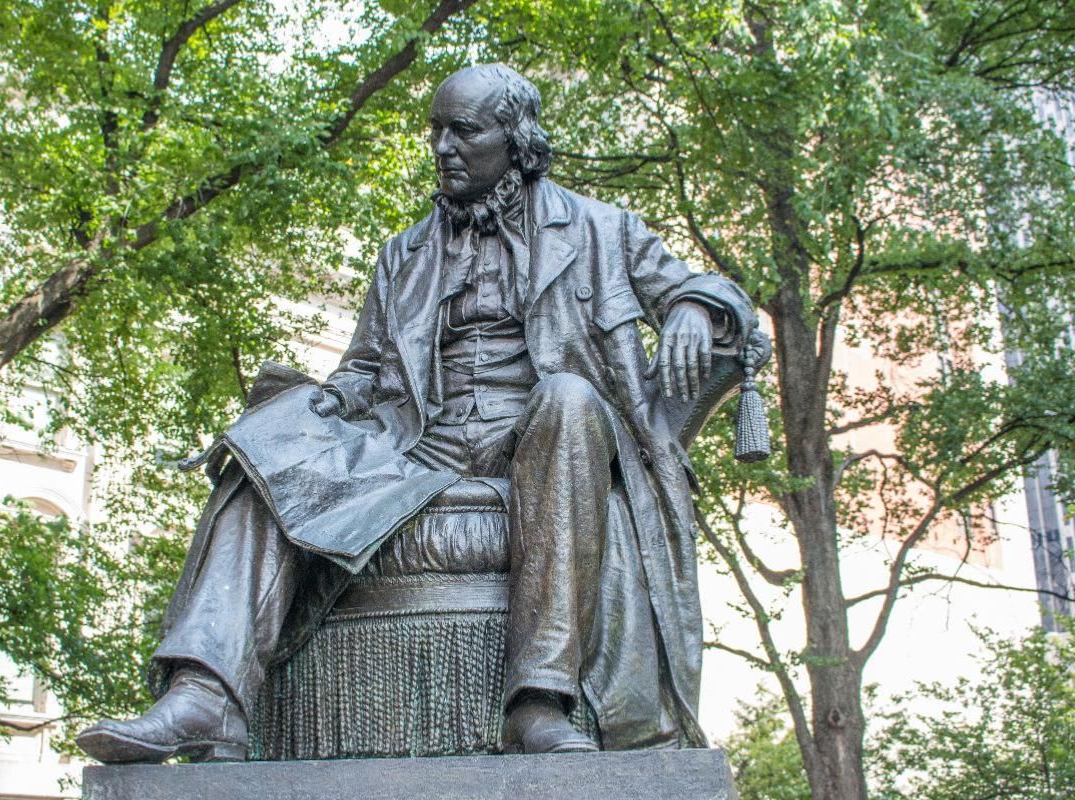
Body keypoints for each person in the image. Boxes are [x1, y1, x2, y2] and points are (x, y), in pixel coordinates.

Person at [77, 63, 757, 763]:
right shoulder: (403, 254)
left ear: (516, 140)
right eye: (436, 131)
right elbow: (366, 367)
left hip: (540, 439)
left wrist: (694, 309)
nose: (442, 147)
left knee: (569, 397)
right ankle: (206, 696)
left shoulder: (600, 231)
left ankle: (540, 702)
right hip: (417, 448)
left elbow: (713, 294)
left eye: (463, 131)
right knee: (267, 443)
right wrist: (329, 400)